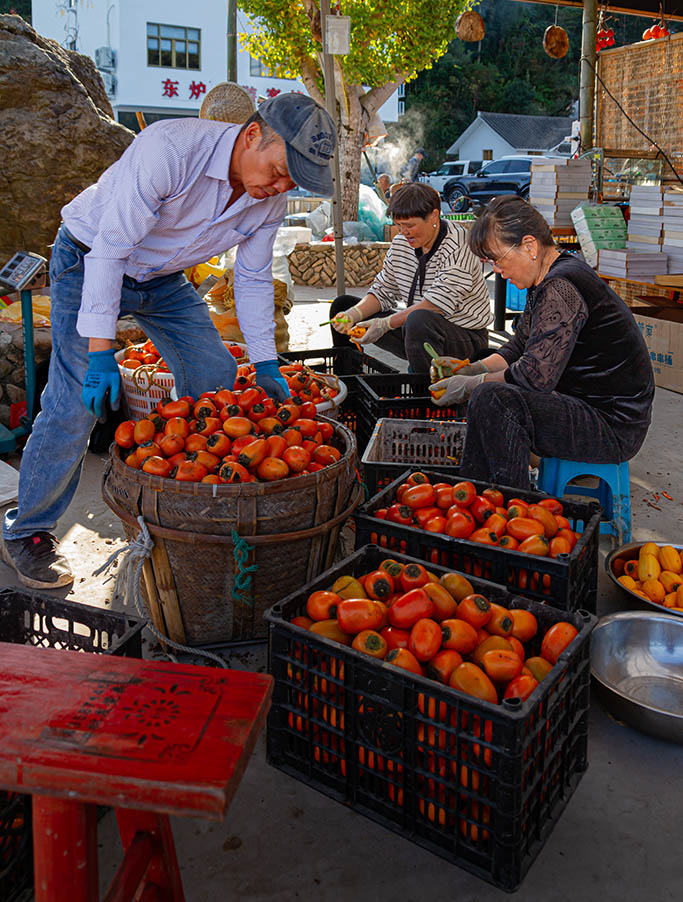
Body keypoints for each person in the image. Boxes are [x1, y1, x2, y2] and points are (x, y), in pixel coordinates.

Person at [1, 92, 336, 590]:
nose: (281, 187)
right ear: (252, 136)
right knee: (75, 399)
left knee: (216, 375)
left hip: (162, 278)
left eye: (294, 181)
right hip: (90, 257)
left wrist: (267, 362)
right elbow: (110, 252)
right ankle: (27, 530)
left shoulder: (269, 200)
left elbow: (250, 279)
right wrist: (98, 355)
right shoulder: (170, 151)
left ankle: (193, 482)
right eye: (281, 170)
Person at [429, 195, 654, 489]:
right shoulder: (550, 278)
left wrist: (474, 384)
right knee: (487, 373)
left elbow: (534, 377)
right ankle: (478, 491)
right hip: (587, 405)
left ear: (530, 246)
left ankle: (508, 499)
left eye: (498, 259)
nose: (497, 270)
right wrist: (469, 370)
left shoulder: (561, 286)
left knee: (493, 399)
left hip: (613, 425)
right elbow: (517, 347)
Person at [330, 183, 490, 373]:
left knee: (418, 321)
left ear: (434, 216)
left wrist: (385, 324)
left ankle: (422, 393)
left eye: (410, 225)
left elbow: (436, 305)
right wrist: (353, 315)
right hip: (416, 330)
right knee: (342, 306)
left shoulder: (460, 243)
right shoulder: (400, 244)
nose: (403, 232)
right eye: (398, 225)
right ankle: (348, 381)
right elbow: (383, 290)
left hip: (464, 337)